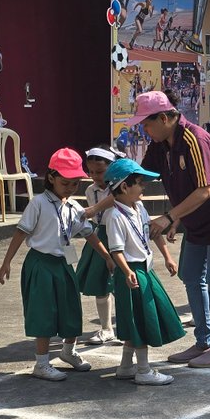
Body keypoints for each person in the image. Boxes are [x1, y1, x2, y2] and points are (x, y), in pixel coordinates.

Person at [133, 90, 210, 369]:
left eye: (146, 124)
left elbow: (205, 190)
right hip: (196, 218)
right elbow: (139, 176)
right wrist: (109, 186)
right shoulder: (159, 144)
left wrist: (169, 217)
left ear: (164, 118)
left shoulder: (194, 139)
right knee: (190, 275)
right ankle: (202, 342)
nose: (144, 130)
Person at [0, 149, 105, 382]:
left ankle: (68, 352)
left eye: (75, 183)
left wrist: (107, 257)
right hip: (40, 263)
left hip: (64, 263)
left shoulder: (74, 207)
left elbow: (89, 234)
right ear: (51, 177)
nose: (70, 188)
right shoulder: (38, 203)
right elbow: (20, 232)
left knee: (71, 309)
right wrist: (7, 262)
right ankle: (41, 363)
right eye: (65, 183)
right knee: (43, 312)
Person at [102, 159, 181, 385]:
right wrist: (127, 271)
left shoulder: (140, 209)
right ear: (124, 187)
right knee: (140, 319)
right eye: (139, 182)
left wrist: (167, 257)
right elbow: (116, 250)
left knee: (136, 317)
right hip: (132, 272)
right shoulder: (114, 216)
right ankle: (144, 370)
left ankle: (126, 366)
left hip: (144, 269)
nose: (143, 186)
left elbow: (153, 234)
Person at [77, 147, 123, 344]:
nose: (95, 176)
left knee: (123, 284)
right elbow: (94, 218)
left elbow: (117, 198)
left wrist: (95, 208)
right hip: (100, 236)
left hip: (120, 236)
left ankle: (127, 328)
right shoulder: (90, 190)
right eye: (91, 172)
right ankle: (106, 328)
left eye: (100, 171)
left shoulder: (121, 186)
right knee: (100, 284)